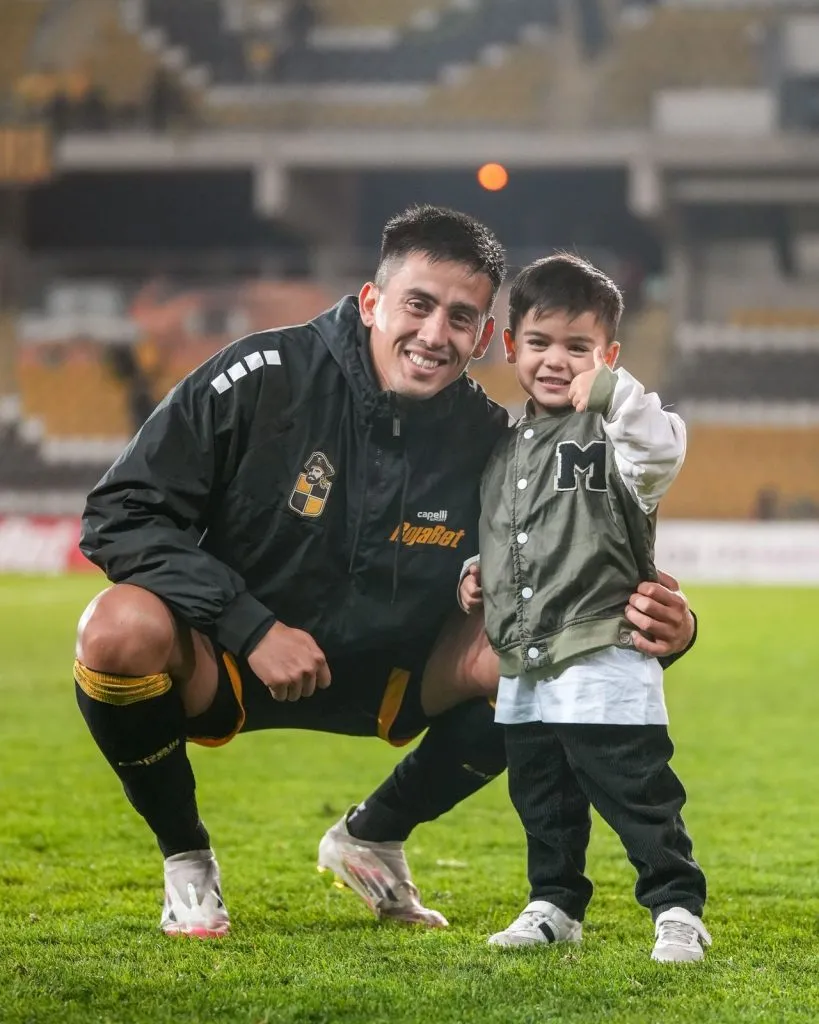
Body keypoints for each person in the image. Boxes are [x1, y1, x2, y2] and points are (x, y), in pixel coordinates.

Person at [74, 206, 696, 939]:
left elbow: (583, 554)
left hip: (394, 678)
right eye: (418, 304)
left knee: (530, 658)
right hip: (233, 660)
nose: (434, 335)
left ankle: (374, 833)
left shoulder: (490, 437)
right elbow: (120, 514)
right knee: (116, 628)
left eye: (460, 317)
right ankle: (186, 860)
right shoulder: (262, 376)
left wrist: (675, 628)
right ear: (372, 302)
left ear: (485, 337)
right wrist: (251, 624)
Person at [458, 254, 709, 962]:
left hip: (603, 652)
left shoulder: (622, 437)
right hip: (525, 657)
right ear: (511, 347)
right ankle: (554, 903)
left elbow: (661, 448)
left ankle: (676, 904)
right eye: (538, 342)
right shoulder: (504, 447)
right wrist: (476, 574)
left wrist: (612, 392)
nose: (556, 360)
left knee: (635, 792)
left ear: (609, 355)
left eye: (578, 347)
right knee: (542, 798)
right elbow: (515, 530)